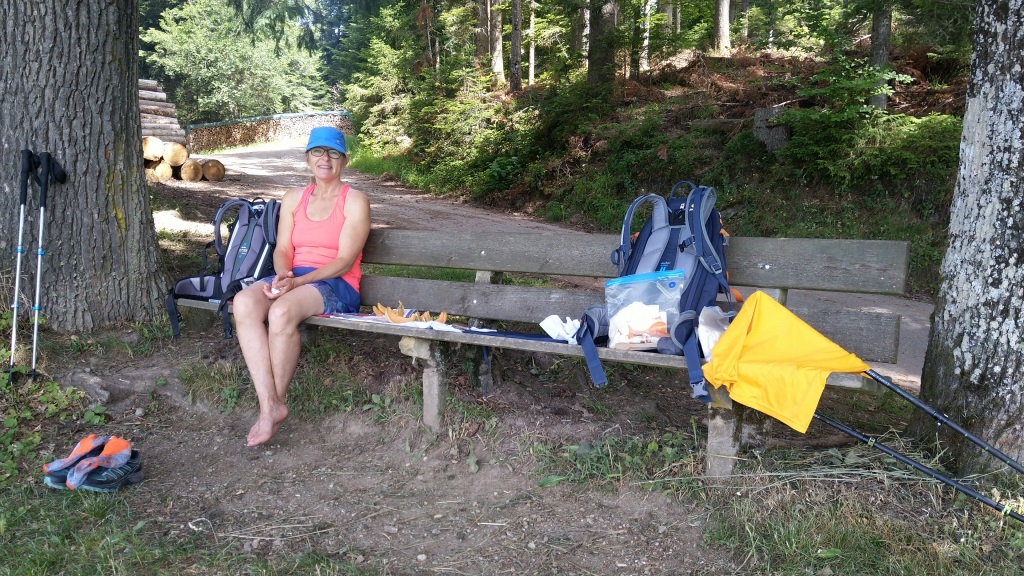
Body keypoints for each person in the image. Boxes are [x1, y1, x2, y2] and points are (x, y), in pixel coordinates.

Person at [232, 126, 370, 447]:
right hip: (294, 278)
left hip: (335, 283)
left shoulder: (355, 201)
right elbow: (282, 249)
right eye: (318, 151)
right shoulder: (293, 198)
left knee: (281, 312)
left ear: (345, 160)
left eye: (334, 152)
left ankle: (272, 407)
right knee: (243, 303)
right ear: (308, 158)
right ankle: (270, 404)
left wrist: (297, 283)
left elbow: (345, 261)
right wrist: (283, 276)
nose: (325, 159)